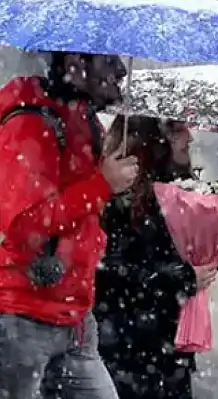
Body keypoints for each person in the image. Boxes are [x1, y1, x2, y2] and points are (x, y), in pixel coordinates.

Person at [0, 52, 134, 398]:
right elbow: (24, 225)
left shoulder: (82, 118)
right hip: (21, 316)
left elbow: (83, 212)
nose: (121, 69)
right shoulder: (31, 123)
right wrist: (101, 185)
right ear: (76, 60)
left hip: (74, 318)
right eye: (108, 60)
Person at [95, 115, 218, 399]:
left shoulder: (183, 194)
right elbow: (107, 272)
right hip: (126, 349)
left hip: (168, 349)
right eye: (177, 130)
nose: (190, 138)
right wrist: (182, 278)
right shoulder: (117, 199)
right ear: (153, 139)